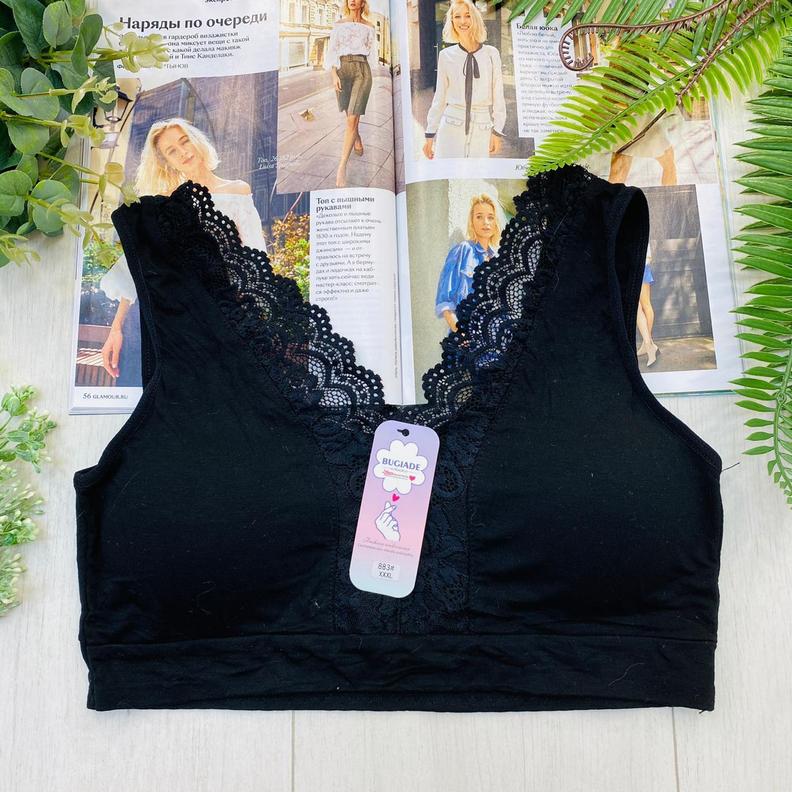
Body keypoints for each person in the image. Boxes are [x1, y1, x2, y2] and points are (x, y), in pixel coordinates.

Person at [99, 117, 267, 383]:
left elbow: (256, 258)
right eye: (172, 151)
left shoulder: (237, 190)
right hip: (182, 317)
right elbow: (136, 268)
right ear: (166, 162)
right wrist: (116, 328)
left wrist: (258, 317)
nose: (183, 152)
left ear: (196, 141)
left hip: (229, 311)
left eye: (184, 141)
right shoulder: (166, 204)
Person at [422, 0, 506, 160]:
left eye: (467, 16)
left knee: (476, 175)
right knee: (447, 174)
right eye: (457, 16)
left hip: (482, 126)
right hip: (451, 124)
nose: (462, 21)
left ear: (475, 18)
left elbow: (498, 95)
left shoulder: (491, 54)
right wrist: (430, 133)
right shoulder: (445, 56)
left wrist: (497, 130)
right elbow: (439, 97)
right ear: (452, 21)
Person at [325, 0, 377, 187]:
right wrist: (334, 75)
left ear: (363, 2)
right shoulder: (339, 24)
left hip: (362, 70)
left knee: (352, 119)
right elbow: (332, 51)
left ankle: (342, 167)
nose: (353, 1)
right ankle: (357, 136)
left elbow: (372, 55)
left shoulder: (370, 27)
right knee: (350, 116)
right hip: (342, 70)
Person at [435, 193, 500, 333]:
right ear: (472, 221)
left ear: (496, 222)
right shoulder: (462, 251)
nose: (486, 222)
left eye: (490, 217)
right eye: (479, 217)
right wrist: (461, 334)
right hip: (466, 336)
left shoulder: (498, 259)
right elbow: (445, 302)